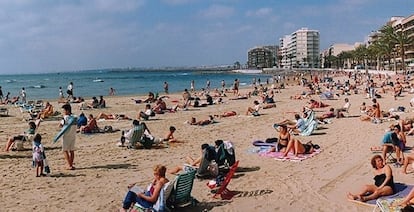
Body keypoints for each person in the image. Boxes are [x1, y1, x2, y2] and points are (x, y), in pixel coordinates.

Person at [59, 104, 77, 170]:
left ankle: (69, 165)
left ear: (67, 110)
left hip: (66, 136)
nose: (63, 112)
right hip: (73, 135)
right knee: (72, 150)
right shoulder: (75, 117)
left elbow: (60, 125)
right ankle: (71, 164)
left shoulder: (65, 117)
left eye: (64, 110)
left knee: (65, 150)